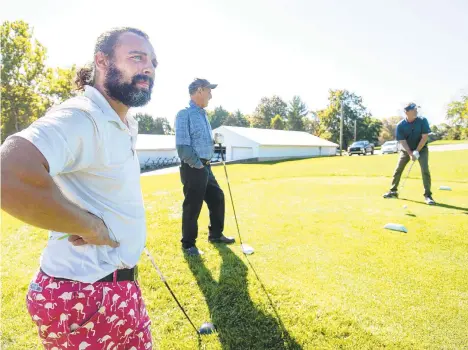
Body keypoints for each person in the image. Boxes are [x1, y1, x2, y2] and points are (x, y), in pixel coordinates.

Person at [1, 27, 157, 349]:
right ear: (102, 60)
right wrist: (87, 226)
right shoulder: (83, 116)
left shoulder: (122, 122)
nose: (148, 68)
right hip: (86, 295)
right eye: (136, 57)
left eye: (153, 62)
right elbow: (7, 173)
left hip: (110, 288)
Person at [175, 78, 235, 256]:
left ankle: (215, 235)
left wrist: (213, 142)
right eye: (209, 90)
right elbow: (183, 147)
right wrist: (199, 165)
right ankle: (188, 245)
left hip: (206, 167)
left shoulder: (203, 115)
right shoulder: (184, 114)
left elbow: (199, 140)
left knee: (217, 197)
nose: (211, 95)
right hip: (194, 166)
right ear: (200, 90)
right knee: (193, 206)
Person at [383, 102, 436, 205]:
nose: (416, 111)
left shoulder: (422, 121)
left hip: (422, 149)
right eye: (413, 109)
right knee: (398, 169)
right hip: (406, 150)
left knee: (425, 170)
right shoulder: (400, 125)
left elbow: (425, 137)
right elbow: (402, 141)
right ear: (406, 112)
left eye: (416, 109)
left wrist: (417, 151)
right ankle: (393, 191)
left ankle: (428, 195)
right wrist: (410, 153)